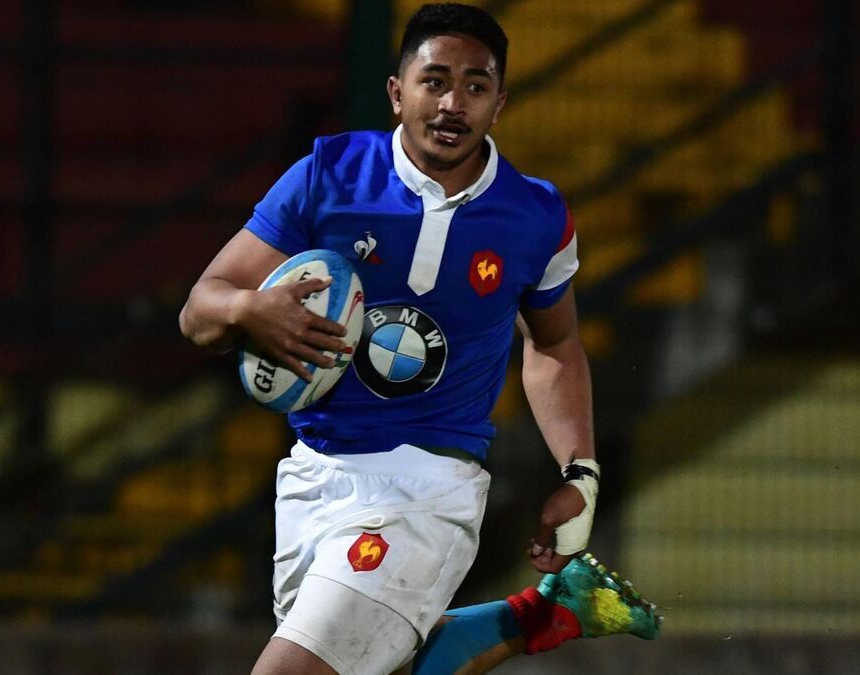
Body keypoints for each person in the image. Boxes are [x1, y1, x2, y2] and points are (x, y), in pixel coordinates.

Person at [179, 4, 660, 673]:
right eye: (435, 81)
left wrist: (580, 471)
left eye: (475, 86)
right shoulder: (329, 174)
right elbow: (199, 310)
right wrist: (249, 308)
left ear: (499, 103)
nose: (453, 103)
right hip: (313, 476)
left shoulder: (536, 216)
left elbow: (553, 346)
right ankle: (537, 616)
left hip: (427, 491)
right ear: (397, 92)